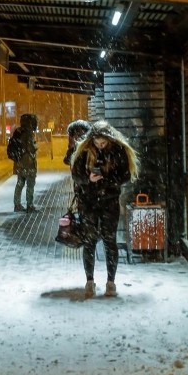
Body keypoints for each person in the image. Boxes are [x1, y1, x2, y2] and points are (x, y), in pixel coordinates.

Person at [70, 120, 139, 297]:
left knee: (110, 241)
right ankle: (89, 281)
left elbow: (125, 175)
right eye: (97, 142)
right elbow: (76, 174)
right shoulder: (84, 151)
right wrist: (88, 179)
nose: (100, 146)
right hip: (88, 202)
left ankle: (111, 282)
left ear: (109, 140)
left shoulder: (118, 151)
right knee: (89, 241)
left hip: (109, 201)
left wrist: (106, 178)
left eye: (103, 143)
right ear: (91, 140)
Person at [8, 113, 38, 212]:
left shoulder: (18, 131)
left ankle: (17, 204)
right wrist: (35, 146)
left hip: (19, 162)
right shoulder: (29, 133)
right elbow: (31, 148)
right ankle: (30, 205)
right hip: (28, 162)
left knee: (20, 183)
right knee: (30, 184)